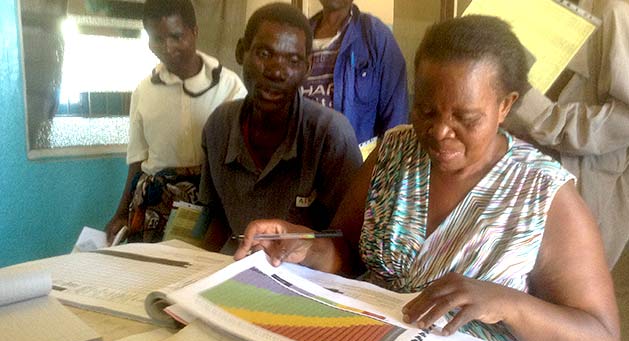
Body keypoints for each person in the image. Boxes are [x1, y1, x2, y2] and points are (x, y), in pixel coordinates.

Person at [235, 15, 620, 341]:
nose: (439, 133)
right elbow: (347, 250)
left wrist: (509, 304)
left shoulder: (542, 193)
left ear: (505, 106)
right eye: (425, 110)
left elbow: (600, 340)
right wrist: (307, 245)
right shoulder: (395, 152)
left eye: (465, 118)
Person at [199, 3, 362, 253]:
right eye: (264, 54)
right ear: (242, 51)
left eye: (293, 60)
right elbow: (217, 218)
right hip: (237, 268)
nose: (276, 71)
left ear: (307, 68)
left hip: (308, 279)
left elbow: (348, 243)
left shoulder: (330, 135)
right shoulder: (218, 127)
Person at [105, 0, 246, 244]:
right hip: (153, 205)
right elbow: (137, 161)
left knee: (200, 278)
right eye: (157, 39)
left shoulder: (229, 86)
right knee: (148, 278)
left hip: (210, 204)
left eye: (176, 36)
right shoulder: (144, 90)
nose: (167, 47)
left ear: (195, 32)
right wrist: (119, 214)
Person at [504, 0, 629, 268]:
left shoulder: (615, 12)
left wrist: (541, 115)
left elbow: (623, 121)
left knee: (568, 287)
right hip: (520, 163)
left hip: (587, 179)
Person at [301, 0, 408, 156]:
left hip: (355, 170)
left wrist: (385, 173)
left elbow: (396, 124)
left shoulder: (376, 36)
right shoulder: (300, 36)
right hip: (301, 166)